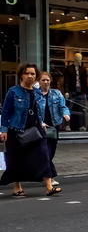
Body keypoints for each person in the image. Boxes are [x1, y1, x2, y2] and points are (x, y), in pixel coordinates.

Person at [0, 63, 62, 197]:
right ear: (21, 75)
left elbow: (39, 111)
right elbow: (5, 112)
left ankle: (49, 187)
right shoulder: (13, 91)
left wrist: (42, 123)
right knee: (16, 159)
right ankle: (17, 187)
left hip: (36, 131)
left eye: (32, 74)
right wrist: (4, 130)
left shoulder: (38, 92)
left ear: (36, 76)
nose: (30, 76)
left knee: (44, 155)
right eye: (26, 73)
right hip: (16, 130)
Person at [39, 71, 70, 187]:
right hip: (40, 127)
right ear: (39, 82)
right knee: (45, 153)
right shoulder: (36, 95)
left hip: (53, 127)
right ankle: (50, 177)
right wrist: (39, 122)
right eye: (43, 80)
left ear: (50, 81)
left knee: (51, 153)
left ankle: (43, 175)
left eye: (47, 80)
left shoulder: (56, 93)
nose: (45, 82)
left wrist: (66, 114)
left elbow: (63, 106)